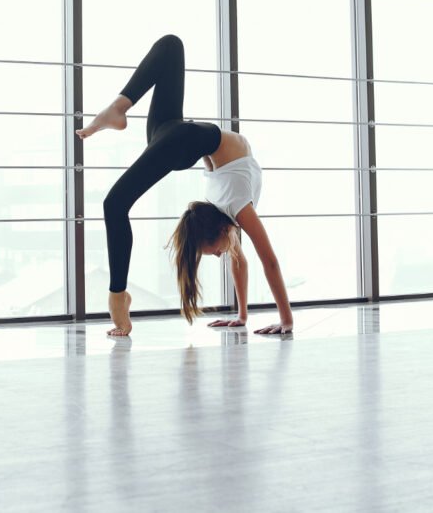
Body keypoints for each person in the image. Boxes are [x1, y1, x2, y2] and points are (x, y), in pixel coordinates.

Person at [76, 34, 294, 337]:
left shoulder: (227, 208)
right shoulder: (235, 207)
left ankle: (118, 107)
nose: (220, 255)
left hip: (177, 137)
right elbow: (267, 261)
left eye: (213, 252)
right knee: (170, 46)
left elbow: (243, 261)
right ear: (219, 231)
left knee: (172, 46)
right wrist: (283, 320)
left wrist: (250, 317)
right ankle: (118, 299)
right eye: (215, 252)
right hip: (174, 136)